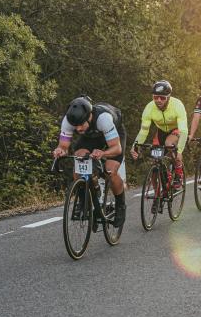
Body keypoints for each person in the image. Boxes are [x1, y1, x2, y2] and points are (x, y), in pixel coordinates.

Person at [52, 96, 127, 226]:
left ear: (89, 117)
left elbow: (117, 148)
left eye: (81, 124)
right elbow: (63, 146)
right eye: (76, 126)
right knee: (79, 157)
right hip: (91, 137)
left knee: (110, 170)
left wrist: (103, 153)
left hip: (114, 137)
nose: (78, 129)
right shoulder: (68, 121)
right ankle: (84, 201)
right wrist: (60, 150)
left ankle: (120, 205)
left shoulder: (103, 119)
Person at [130, 80, 187, 190]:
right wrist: (135, 146)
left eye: (162, 98)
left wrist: (179, 151)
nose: (158, 100)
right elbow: (143, 130)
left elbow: (183, 130)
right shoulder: (149, 107)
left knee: (169, 143)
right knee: (154, 161)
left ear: (168, 97)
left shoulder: (177, 105)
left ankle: (178, 171)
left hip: (176, 130)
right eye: (155, 97)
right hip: (161, 131)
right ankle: (158, 194)